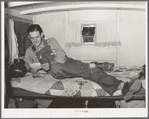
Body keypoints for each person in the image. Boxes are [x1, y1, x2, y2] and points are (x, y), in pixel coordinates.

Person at [24, 24, 142, 102]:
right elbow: (27, 66)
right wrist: (33, 69)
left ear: (42, 35)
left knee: (88, 68)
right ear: (29, 37)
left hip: (66, 62)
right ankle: (122, 85)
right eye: (32, 38)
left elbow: (61, 55)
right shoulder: (30, 51)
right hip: (56, 70)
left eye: (37, 37)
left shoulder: (51, 41)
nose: (35, 41)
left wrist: (50, 63)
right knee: (59, 68)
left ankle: (113, 78)